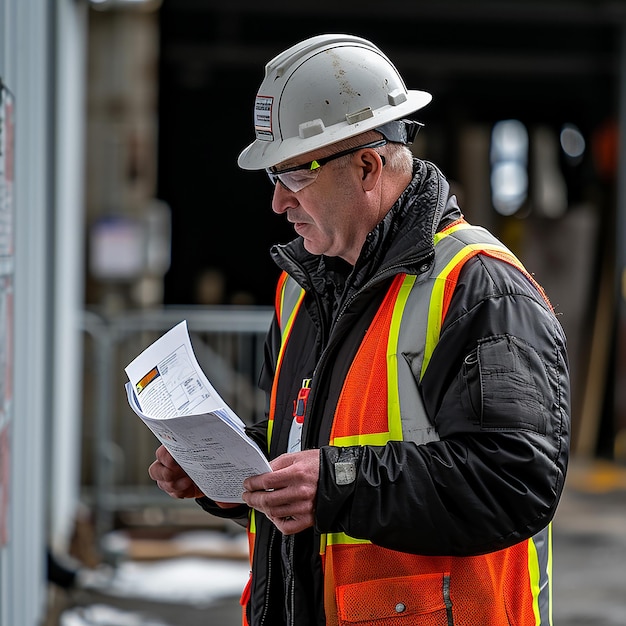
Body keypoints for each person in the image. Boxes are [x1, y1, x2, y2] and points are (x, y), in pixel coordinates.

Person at [149, 34, 570, 626]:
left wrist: (337, 484)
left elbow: (513, 480)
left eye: (293, 176)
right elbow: (306, 450)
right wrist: (222, 471)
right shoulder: (303, 289)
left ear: (368, 166)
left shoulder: (480, 289)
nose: (276, 203)